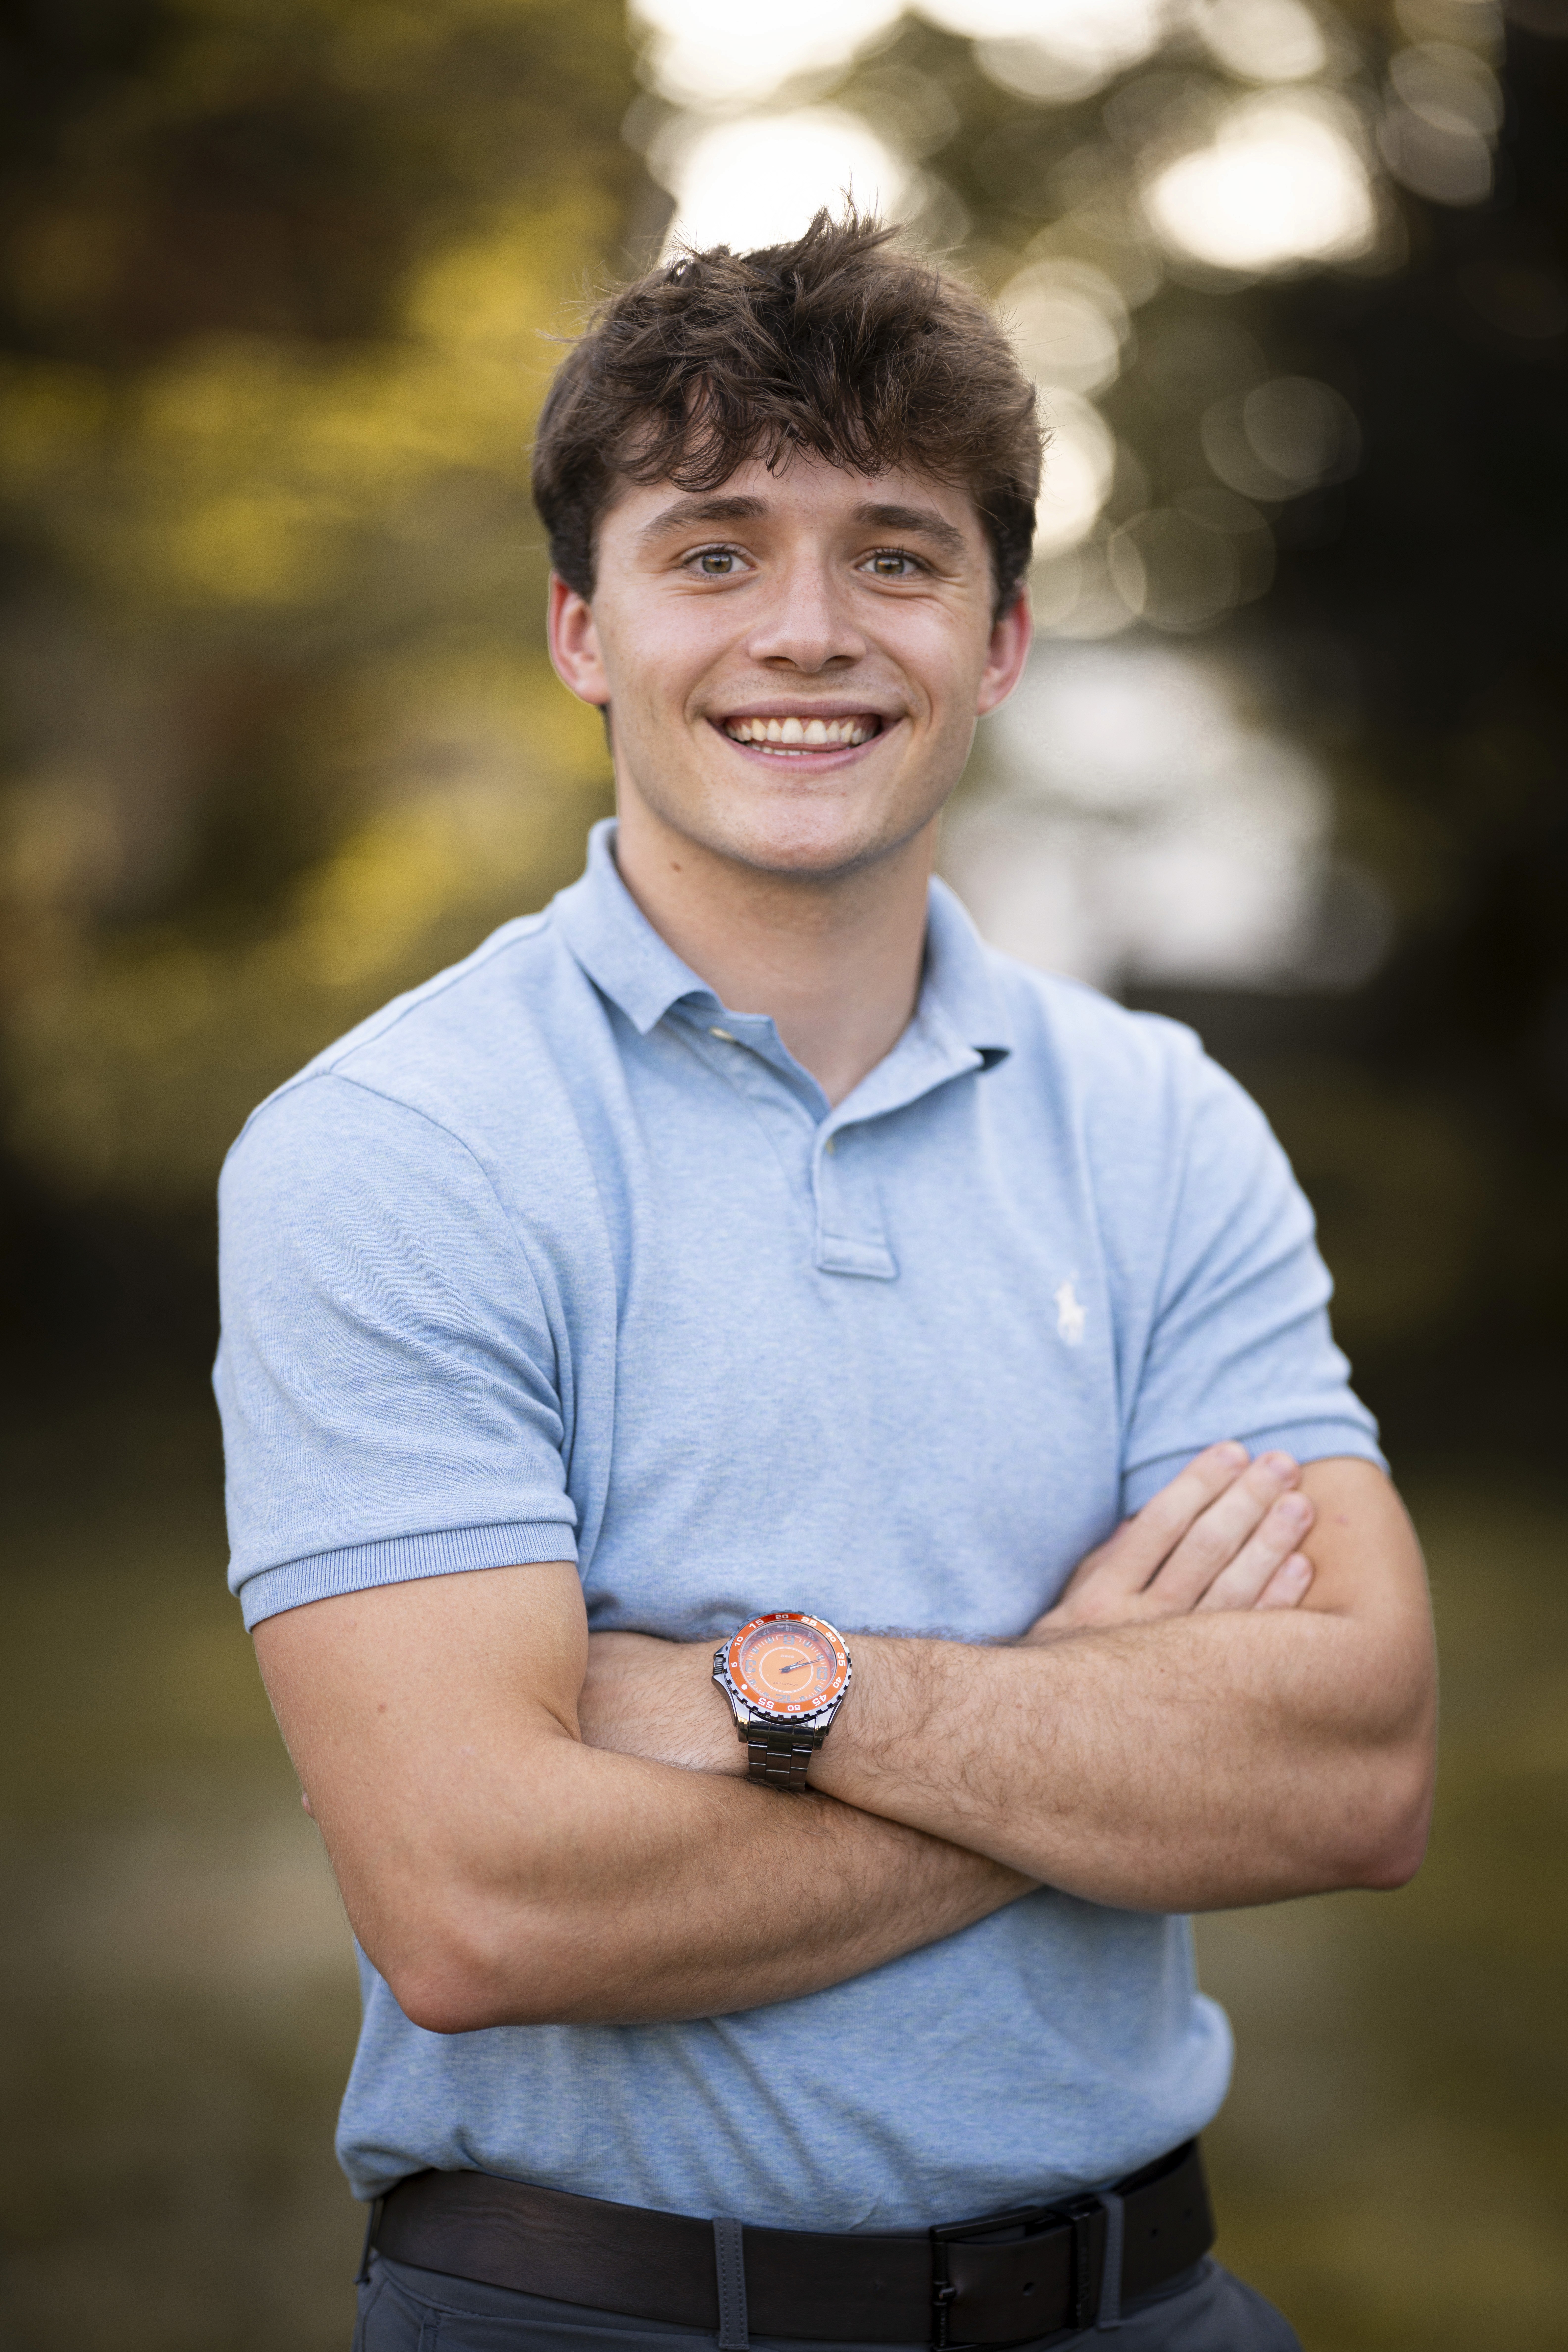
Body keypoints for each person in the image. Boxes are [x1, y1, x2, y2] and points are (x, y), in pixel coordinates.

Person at [215, 212, 1437, 2352]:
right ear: (585, 631)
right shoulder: (394, 1149)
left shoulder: (1160, 1124)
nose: (809, 632)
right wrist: (1088, 1732)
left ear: (1003, 638)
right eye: (713, 553)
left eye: (892, 554)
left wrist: (771, 1695)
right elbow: (478, 1904)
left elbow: (1352, 1771)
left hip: (1153, 2311)